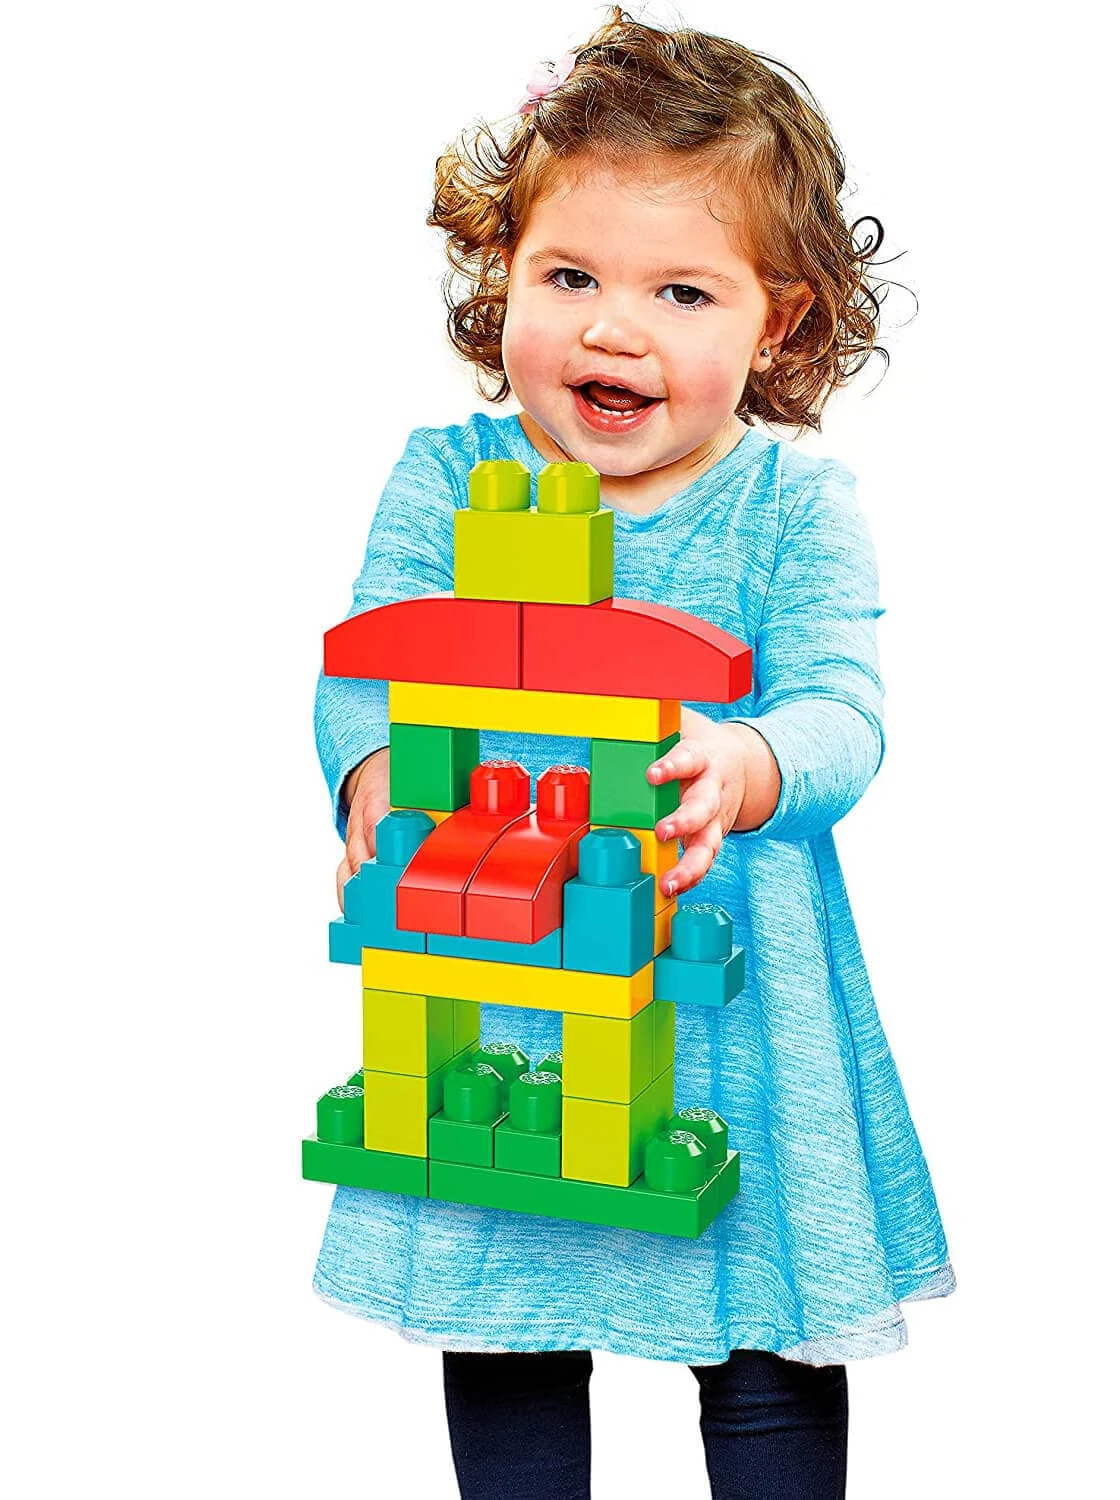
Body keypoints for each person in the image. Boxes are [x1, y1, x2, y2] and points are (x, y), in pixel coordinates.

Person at [312, 9, 955, 1496]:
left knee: (763, 1348)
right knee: (510, 1321)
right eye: (570, 276)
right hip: (505, 988)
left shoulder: (791, 508)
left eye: (681, 290)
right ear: (503, 275)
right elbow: (366, 658)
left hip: (729, 1000)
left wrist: (749, 763)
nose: (614, 328)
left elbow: (846, 711)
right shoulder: (448, 479)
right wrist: (371, 775)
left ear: (777, 322)